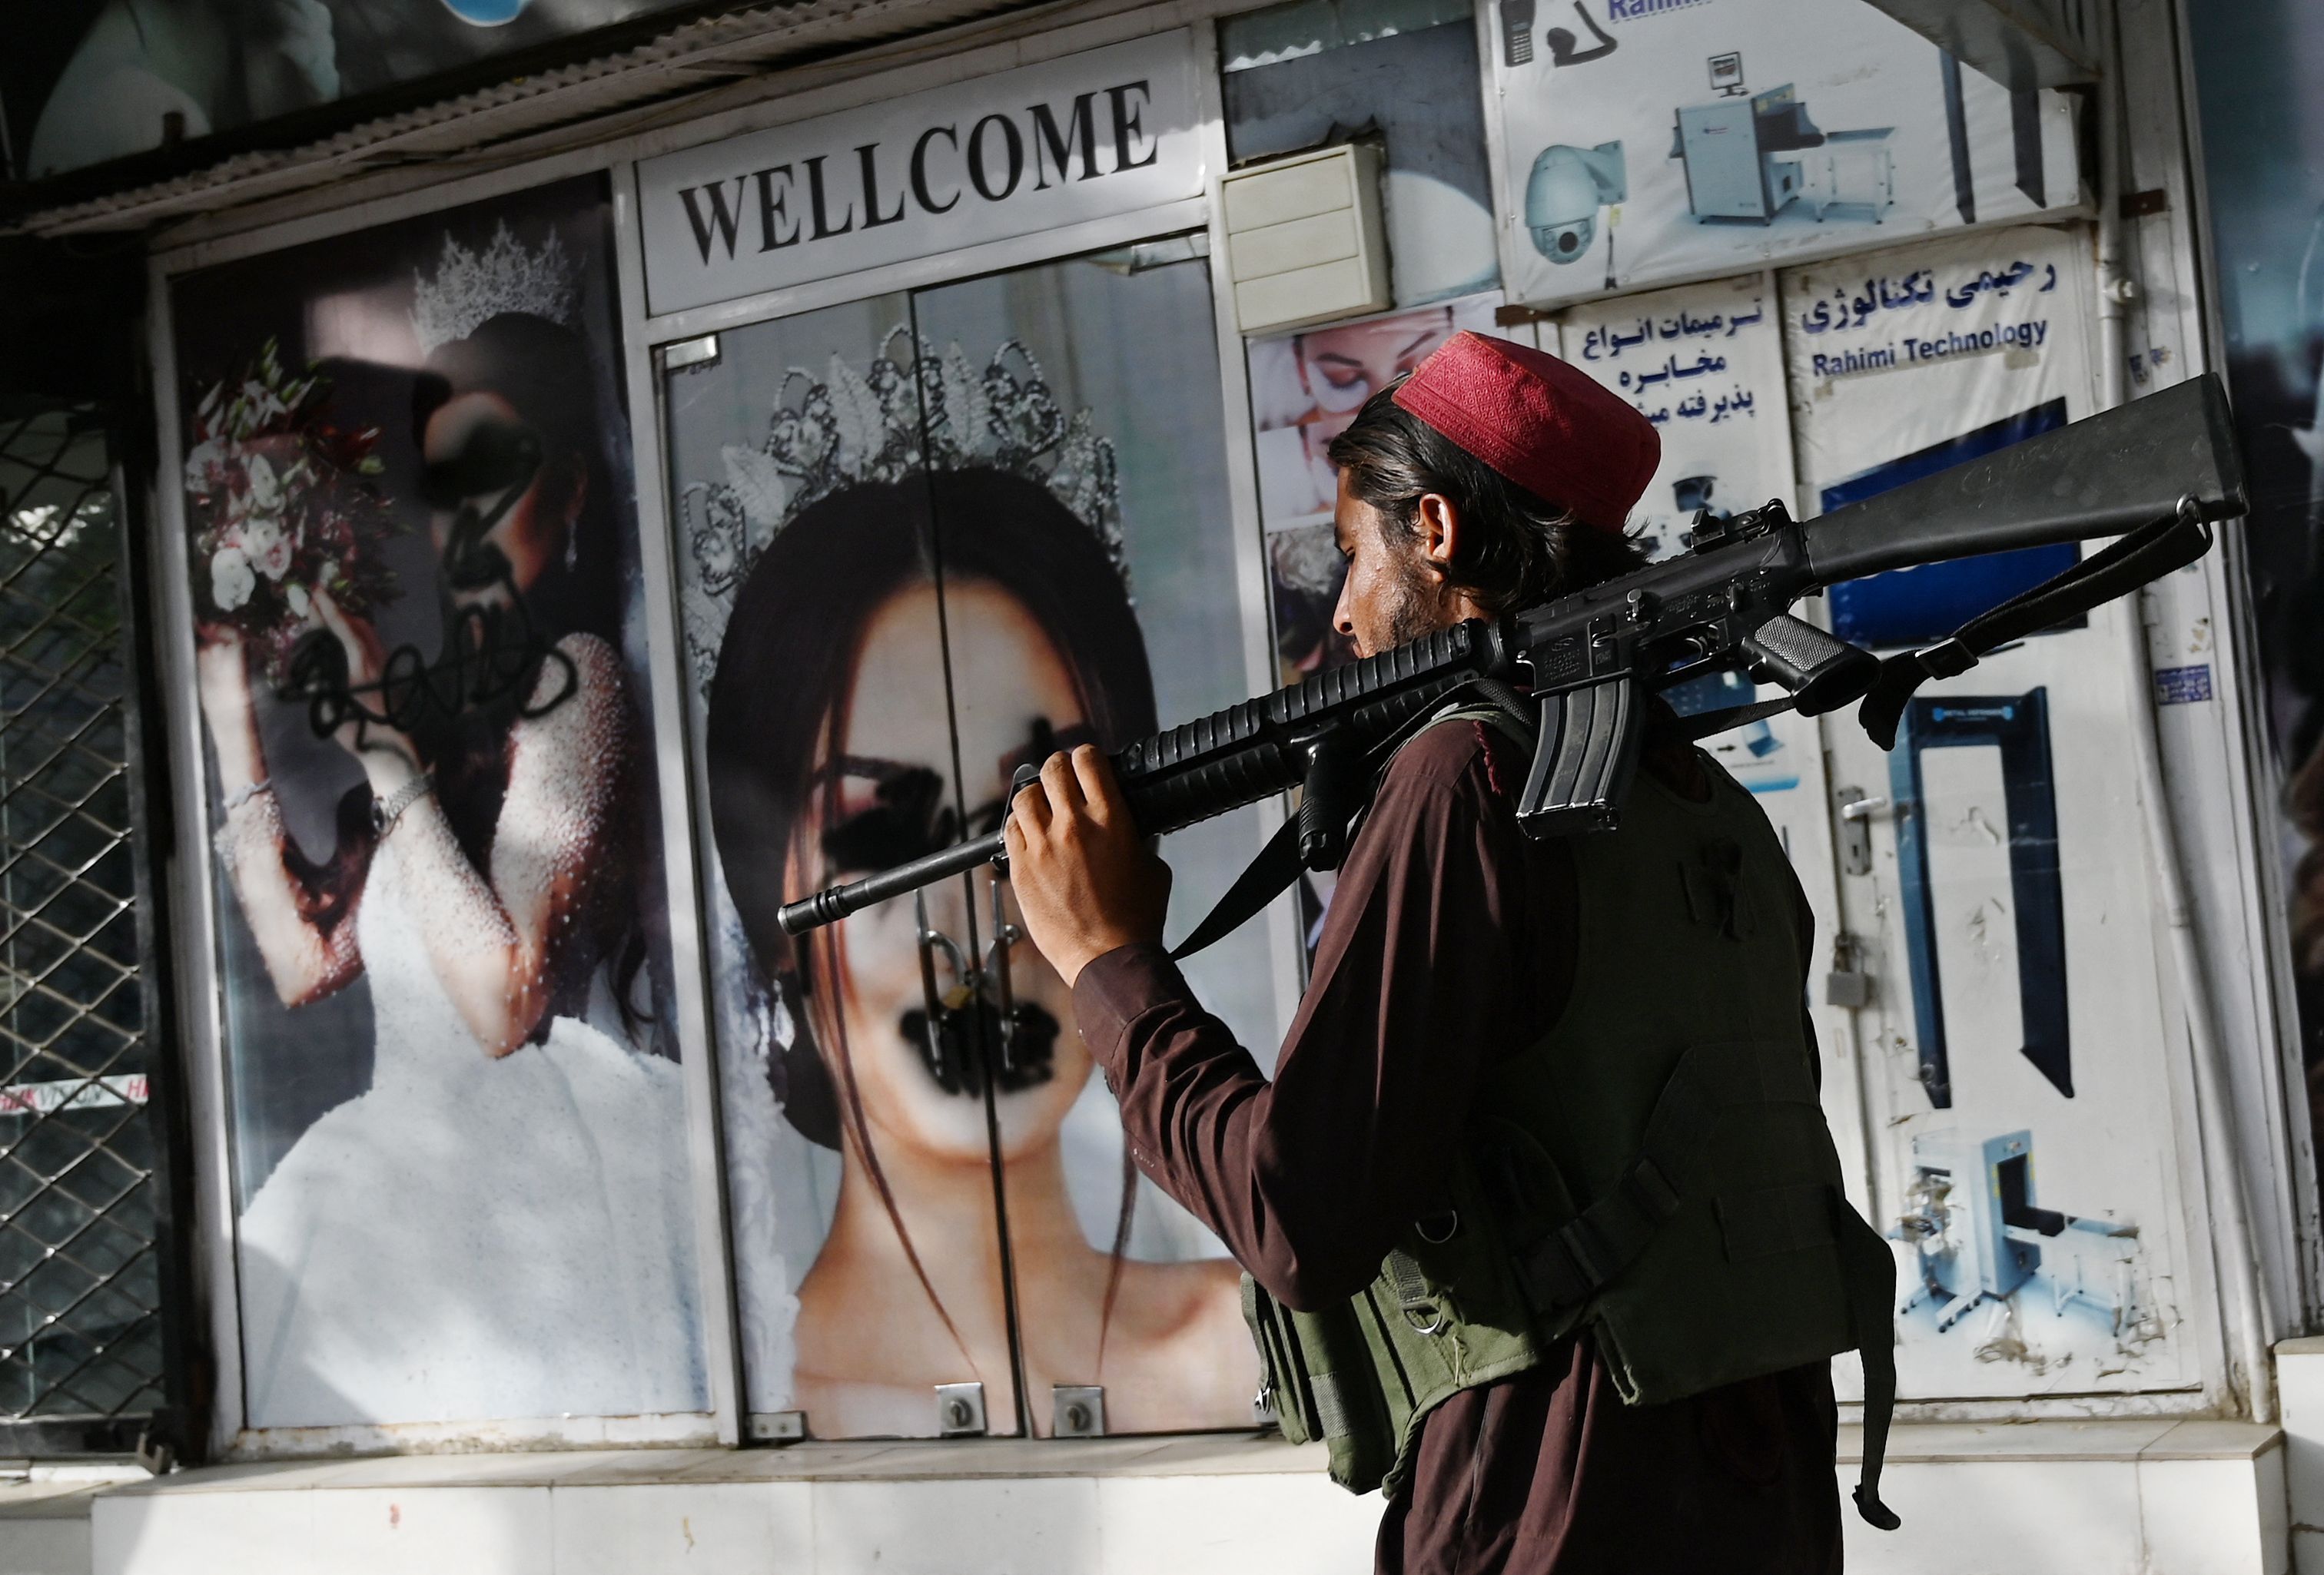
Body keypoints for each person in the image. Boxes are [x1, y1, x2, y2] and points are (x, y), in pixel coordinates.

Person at [1003, 333, 1895, 1573]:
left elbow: (1297, 1214)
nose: (1346, 613)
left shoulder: (1463, 776)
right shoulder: (1698, 800)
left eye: (1354, 556)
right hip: (1762, 1508)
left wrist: (1108, 964)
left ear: (1430, 529)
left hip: (1549, 1509)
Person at [194, 310, 702, 1426]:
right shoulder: (437, 713)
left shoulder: (579, 681)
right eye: (441, 486)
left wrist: (384, 753)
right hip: (398, 1198)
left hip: (545, 1201)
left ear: (570, 496)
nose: (462, 518)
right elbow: (298, 963)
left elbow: (501, 1001)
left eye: (496, 476)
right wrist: (237, 739)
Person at [706, 466, 1256, 1438]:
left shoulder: (1252, 1338)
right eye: (881, 836)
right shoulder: (763, 1398)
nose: (974, 929)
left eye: (1043, 819)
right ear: (774, 908)